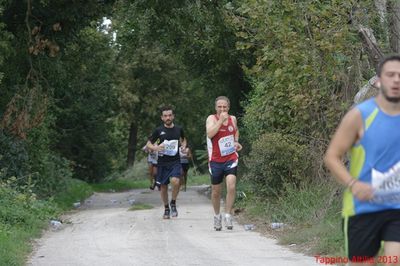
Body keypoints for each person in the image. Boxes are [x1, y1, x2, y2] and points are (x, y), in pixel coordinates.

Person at [324, 54, 400, 263]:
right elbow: (332, 156)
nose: (396, 80)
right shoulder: (361, 115)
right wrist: (353, 183)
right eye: (390, 75)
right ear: (378, 81)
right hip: (363, 207)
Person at [206, 96, 242, 231]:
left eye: (224, 107)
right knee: (216, 191)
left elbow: (235, 130)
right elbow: (210, 134)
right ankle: (217, 216)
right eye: (219, 107)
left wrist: (236, 141)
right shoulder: (211, 119)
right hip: (215, 160)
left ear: (228, 107)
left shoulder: (233, 119)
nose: (222, 109)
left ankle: (227, 214)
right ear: (216, 108)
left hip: (231, 158)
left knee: (231, 186)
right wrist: (220, 121)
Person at [147, 106, 186, 219]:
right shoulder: (158, 130)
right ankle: (166, 208)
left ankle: (173, 203)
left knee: (175, 181)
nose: (168, 117)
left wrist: (183, 147)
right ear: (162, 118)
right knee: (163, 187)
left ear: (173, 116)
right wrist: (156, 148)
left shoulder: (179, 129)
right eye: (165, 116)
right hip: (162, 163)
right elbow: (149, 143)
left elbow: (184, 139)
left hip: (175, 161)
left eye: (170, 115)